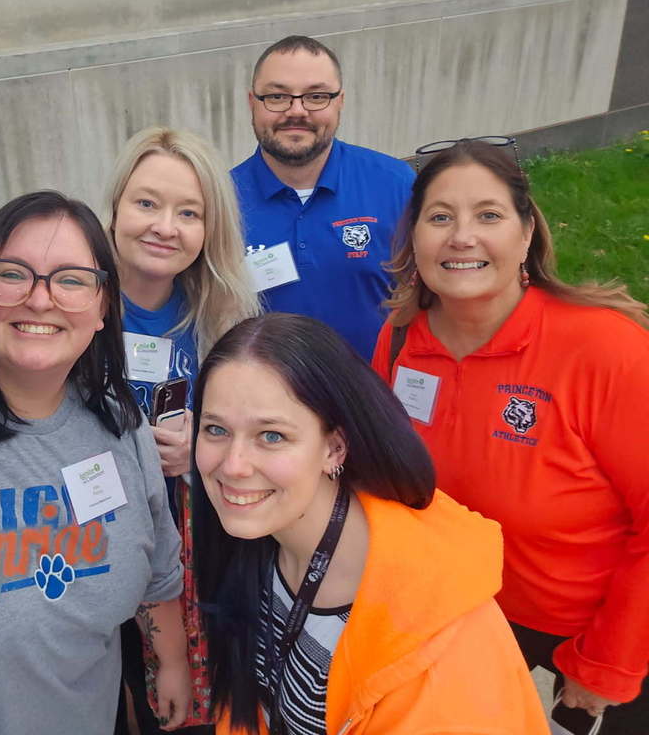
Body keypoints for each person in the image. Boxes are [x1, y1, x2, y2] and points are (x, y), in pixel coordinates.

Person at [372, 138, 649, 733]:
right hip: (455, 626)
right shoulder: (398, 340)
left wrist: (604, 664)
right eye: (439, 216)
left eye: (488, 215)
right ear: (414, 236)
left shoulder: (605, 350)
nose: (461, 236)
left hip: (580, 643)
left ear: (526, 234)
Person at [0, 190, 189, 734]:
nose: (40, 300)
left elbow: (157, 567)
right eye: (12, 273)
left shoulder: (118, 420)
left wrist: (171, 664)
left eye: (70, 280)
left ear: (104, 305)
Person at [191, 313, 549, 734]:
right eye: (215, 429)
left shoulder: (438, 650)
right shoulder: (262, 535)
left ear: (335, 449)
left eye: (271, 436)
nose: (233, 466)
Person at [106, 126, 259, 732]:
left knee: (191, 698)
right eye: (146, 203)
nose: (165, 226)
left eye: (188, 212)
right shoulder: (70, 302)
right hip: (102, 530)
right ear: (115, 207)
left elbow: (258, 425)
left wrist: (210, 437)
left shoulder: (224, 313)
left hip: (197, 535)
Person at [230, 35, 414, 360]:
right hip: (264, 404)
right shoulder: (219, 201)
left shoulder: (396, 185)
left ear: (340, 101)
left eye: (316, 96)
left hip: (373, 401)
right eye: (277, 96)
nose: (297, 111)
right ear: (251, 102)